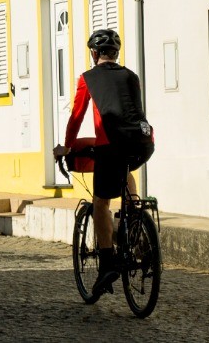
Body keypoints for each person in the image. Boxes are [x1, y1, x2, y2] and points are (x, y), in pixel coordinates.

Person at [54, 28, 154, 295]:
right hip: (143, 142)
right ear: (116, 54)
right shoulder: (132, 76)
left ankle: (108, 263)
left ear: (94, 53)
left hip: (112, 144)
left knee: (101, 203)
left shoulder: (88, 78)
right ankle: (135, 226)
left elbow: (76, 116)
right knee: (125, 171)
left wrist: (67, 145)